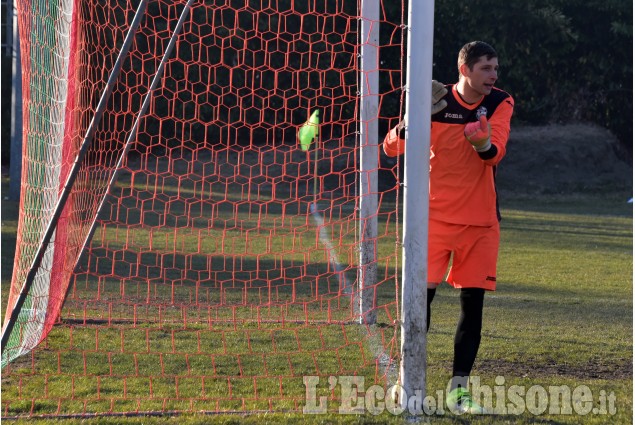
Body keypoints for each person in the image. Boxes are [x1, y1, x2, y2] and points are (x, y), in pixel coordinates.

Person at [383, 41, 514, 414]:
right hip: (433, 221)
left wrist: (482, 142)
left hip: (481, 224)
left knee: (473, 308)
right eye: (486, 68)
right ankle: (405, 382)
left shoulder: (500, 102)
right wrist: (412, 120)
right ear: (464, 68)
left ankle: (459, 391)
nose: (493, 75)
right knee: (418, 305)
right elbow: (390, 148)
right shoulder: (433, 101)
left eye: (495, 68)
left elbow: (495, 154)